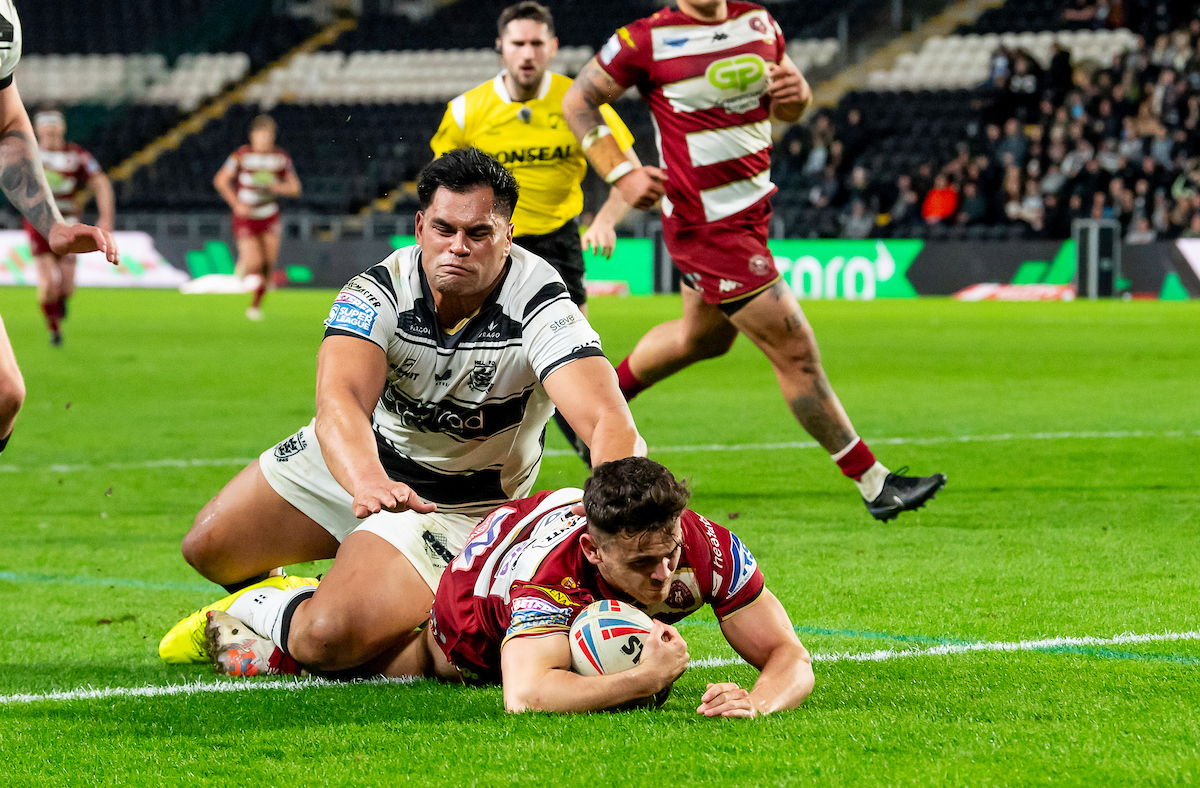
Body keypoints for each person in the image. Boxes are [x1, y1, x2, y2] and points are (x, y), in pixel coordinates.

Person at [160, 147, 643, 676]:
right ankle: (315, 591)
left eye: (478, 233)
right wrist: (366, 479)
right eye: (443, 229)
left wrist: (612, 511)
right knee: (208, 547)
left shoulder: (542, 303)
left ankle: (265, 618)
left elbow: (606, 418)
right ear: (419, 227)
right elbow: (339, 402)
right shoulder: (377, 290)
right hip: (359, 462)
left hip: (457, 506)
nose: (458, 247)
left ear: (508, 236)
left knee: (326, 637)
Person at [561, 0, 945, 520]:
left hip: (750, 212)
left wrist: (798, 95)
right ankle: (874, 483)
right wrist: (621, 171)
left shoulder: (758, 22)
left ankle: (598, 404)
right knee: (797, 353)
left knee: (702, 339)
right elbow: (578, 100)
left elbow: (787, 106)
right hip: (710, 228)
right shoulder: (647, 39)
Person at [206, 457, 815, 717]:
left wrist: (757, 703)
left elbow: (788, 655)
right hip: (475, 602)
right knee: (385, 659)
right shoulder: (550, 579)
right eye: (641, 564)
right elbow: (525, 695)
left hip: (531, 527)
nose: (662, 575)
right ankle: (269, 608)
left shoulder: (703, 546)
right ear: (593, 550)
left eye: (668, 554)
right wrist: (645, 678)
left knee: (594, 650)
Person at [429, 0, 640, 460]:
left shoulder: (578, 104)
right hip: (485, 246)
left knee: (572, 357)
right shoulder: (466, 111)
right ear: (501, 46)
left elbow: (629, 173)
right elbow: (438, 188)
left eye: (536, 43)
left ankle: (607, 466)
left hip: (556, 243)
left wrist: (605, 220)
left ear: (553, 46)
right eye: (518, 43)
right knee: (472, 361)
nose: (527, 53)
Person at [0, 0, 118, 457]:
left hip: (52, 216)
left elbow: (7, 123)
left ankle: (56, 322)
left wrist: (54, 224)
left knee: (5, 394)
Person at [22, 109, 114, 346]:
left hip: (69, 223)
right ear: (37, 129)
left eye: (55, 124)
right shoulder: (29, 154)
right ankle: (54, 329)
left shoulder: (76, 155)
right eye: (46, 124)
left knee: (67, 287)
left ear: (62, 127)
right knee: (49, 283)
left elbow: (100, 182)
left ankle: (59, 306)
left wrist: (106, 218)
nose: (51, 129)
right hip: (39, 222)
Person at [212, 114, 301, 321]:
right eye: (260, 135)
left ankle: (255, 306)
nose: (263, 140)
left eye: (267, 136)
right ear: (252, 136)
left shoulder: (280, 158)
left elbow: (295, 188)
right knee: (254, 261)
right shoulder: (241, 155)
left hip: (269, 214)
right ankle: (239, 275)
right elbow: (221, 180)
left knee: (268, 264)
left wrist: (277, 187)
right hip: (246, 216)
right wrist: (236, 204)